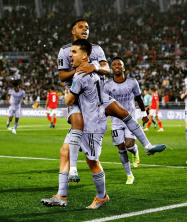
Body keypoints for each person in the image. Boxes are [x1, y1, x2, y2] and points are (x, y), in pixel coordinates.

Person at [58, 18, 166, 183]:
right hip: (78, 96)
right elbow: (62, 76)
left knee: (123, 112)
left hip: (99, 93)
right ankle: (73, 169)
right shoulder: (65, 51)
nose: (85, 29)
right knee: (77, 125)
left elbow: (106, 69)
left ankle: (147, 146)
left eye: (87, 27)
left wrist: (94, 67)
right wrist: (79, 71)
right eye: (80, 27)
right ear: (73, 31)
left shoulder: (97, 49)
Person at [42, 39, 109, 209]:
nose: (70, 55)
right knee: (64, 151)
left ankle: (102, 197)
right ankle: (61, 195)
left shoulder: (82, 74)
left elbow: (70, 99)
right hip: (85, 120)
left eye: (74, 52)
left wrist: (67, 93)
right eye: (70, 52)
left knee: (92, 161)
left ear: (84, 55)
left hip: (92, 123)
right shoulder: (94, 70)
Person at [104, 57, 148, 184]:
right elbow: (105, 103)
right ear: (112, 68)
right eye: (115, 64)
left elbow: (139, 98)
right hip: (116, 121)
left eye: (120, 64)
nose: (117, 66)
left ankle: (135, 152)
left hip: (130, 119)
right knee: (121, 149)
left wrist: (144, 113)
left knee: (129, 145)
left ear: (123, 68)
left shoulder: (132, 82)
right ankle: (129, 175)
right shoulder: (107, 85)